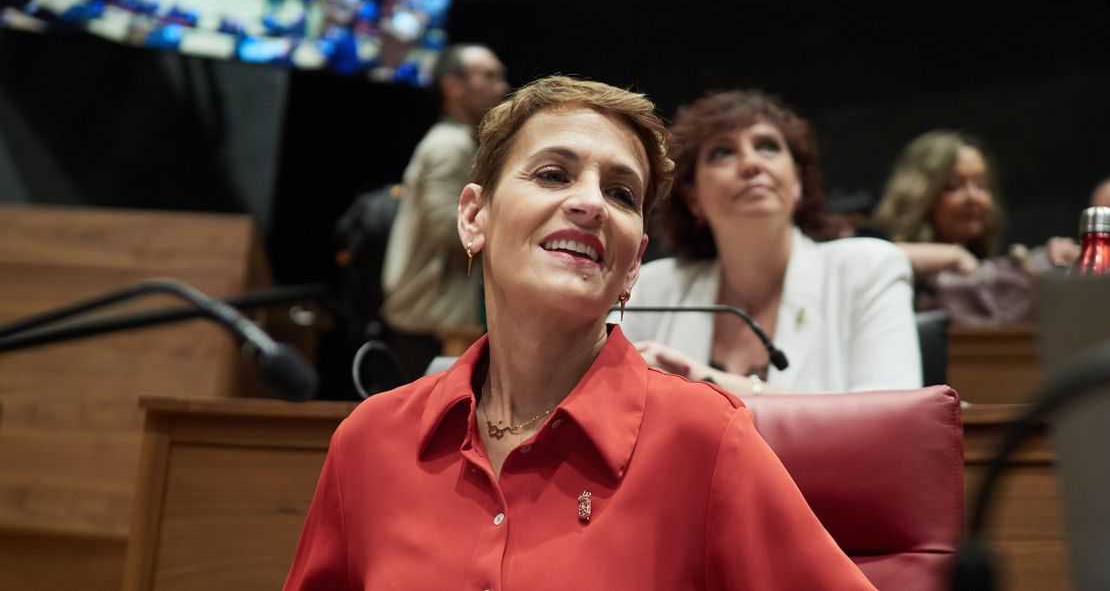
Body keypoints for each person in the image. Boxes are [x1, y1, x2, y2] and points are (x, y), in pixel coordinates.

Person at [283, 76, 875, 590]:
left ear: (635, 262)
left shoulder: (706, 439)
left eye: (621, 193)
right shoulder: (368, 442)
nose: (590, 203)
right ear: (473, 217)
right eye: (552, 174)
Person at [620, 90, 921, 395]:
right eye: (722, 153)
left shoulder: (869, 269)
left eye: (767, 146)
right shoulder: (652, 288)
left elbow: (891, 418)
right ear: (693, 197)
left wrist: (711, 382)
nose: (751, 164)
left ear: (796, 183)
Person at [377, 43, 508, 380]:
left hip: (434, 316)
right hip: (430, 320)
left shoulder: (456, 140)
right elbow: (448, 228)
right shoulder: (450, 145)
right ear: (452, 85)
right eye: (489, 76)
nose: (502, 87)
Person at [870, 129, 1006, 282]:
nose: (973, 197)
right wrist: (953, 256)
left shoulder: (990, 266)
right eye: (953, 186)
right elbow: (866, 258)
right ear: (918, 195)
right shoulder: (883, 260)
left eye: (981, 185)